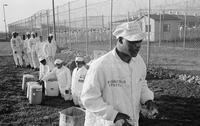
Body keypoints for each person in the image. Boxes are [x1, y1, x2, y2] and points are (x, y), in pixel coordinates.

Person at [81, 21, 157, 126]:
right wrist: (114, 115)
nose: (138, 45)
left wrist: (148, 100)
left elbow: (141, 83)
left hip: (131, 122)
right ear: (120, 40)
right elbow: (89, 98)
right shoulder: (101, 66)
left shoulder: (139, 62)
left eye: (139, 41)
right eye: (133, 41)